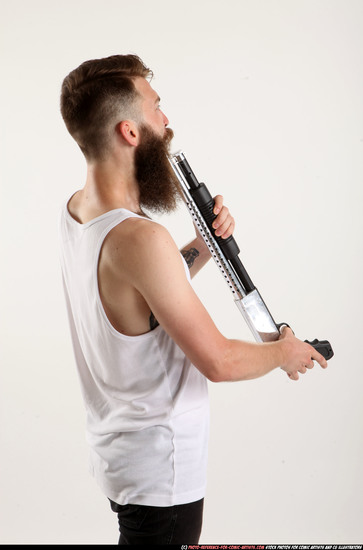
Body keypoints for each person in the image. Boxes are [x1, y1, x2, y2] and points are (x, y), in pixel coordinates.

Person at [59, 54, 328, 545]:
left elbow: (138, 293)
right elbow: (219, 361)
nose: (167, 121)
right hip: (163, 476)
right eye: (156, 108)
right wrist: (284, 352)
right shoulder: (141, 240)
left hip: (122, 460)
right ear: (130, 131)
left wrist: (204, 242)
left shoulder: (79, 211)